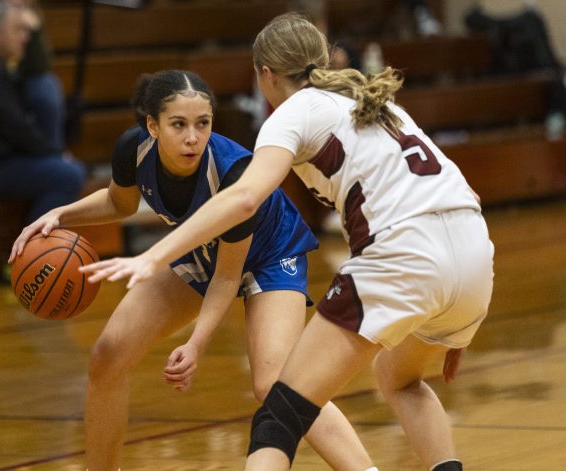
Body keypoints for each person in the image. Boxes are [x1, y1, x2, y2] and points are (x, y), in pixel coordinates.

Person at [80, 14, 495, 471]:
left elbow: (244, 199)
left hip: (401, 255)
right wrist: (452, 302)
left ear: (265, 76)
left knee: (279, 411)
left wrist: (153, 255)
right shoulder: (374, 103)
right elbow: (464, 194)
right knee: (399, 379)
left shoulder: (293, 113)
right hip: (472, 257)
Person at [10, 70, 376, 471]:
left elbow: (227, 276)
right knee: (108, 354)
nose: (192, 137)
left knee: (274, 382)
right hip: (205, 251)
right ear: (152, 125)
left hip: (271, 254)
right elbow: (119, 204)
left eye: (202, 124)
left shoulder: (232, 172)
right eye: (178, 124)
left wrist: (196, 343)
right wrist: (60, 215)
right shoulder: (134, 151)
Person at [0, 0, 84, 224]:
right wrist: (54, 154)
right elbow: (14, 128)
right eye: (18, 30)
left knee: (44, 87)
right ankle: (28, 255)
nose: (26, 37)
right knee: (68, 175)